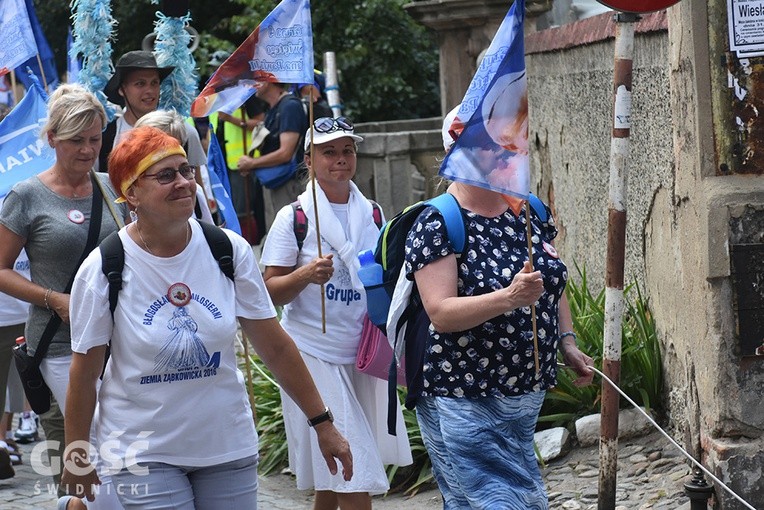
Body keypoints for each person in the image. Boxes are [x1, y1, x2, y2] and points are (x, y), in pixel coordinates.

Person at [61, 126, 353, 508]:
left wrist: (323, 423)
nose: (184, 183)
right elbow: (84, 373)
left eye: (186, 170)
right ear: (131, 193)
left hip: (226, 446)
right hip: (142, 450)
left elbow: (276, 347)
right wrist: (77, 455)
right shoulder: (104, 268)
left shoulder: (227, 250)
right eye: (166, 175)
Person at [402, 110, 594, 508]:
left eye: (503, 141)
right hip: (463, 394)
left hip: (523, 394)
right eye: (486, 143)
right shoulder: (437, 221)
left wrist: (567, 341)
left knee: (472, 502)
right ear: (457, 150)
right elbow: (440, 311)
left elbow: (551, 283)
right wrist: (508, 297)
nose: (501, 150)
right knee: (506, 500)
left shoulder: (530, 212)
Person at [260, 117, 412, 510]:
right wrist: (305, 276)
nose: (340, 159)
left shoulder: (374, 213)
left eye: (347, 150)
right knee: (350, 463)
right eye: (329, 152)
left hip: (360, 350)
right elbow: (269, 291)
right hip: (311, 352)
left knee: (332, 475)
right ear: (309, 160)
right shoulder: (292, 218)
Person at [0, 84, 127, 509]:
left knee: (120, 455)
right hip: (58, 344)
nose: (89, 150)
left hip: (120, 343)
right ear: (52, 138)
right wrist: (55, 299)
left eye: (95, 139)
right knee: (81, 461)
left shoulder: (112, 189)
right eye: (76, 140)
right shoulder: (27, 195)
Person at [99, 50, 214, 222]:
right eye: (140, 84)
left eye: (154, 83)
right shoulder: (106, 136)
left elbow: (196, 187)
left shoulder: (184, 132)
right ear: (122, 89)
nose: (150, 90)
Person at [237, 81, 308, 232]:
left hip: (289, 183)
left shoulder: (290, 106)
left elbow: (285, 153)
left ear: (269, 81)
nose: (253, 85)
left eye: (258, 79)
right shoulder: (273, 108)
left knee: (290, 231)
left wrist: (252, 163)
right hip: (276, 182)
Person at [134, 109, 215, 224]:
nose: (183, 183)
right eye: (160, 147)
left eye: (176, 145)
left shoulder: (196, 192)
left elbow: (208, 233)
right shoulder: (133, 197)